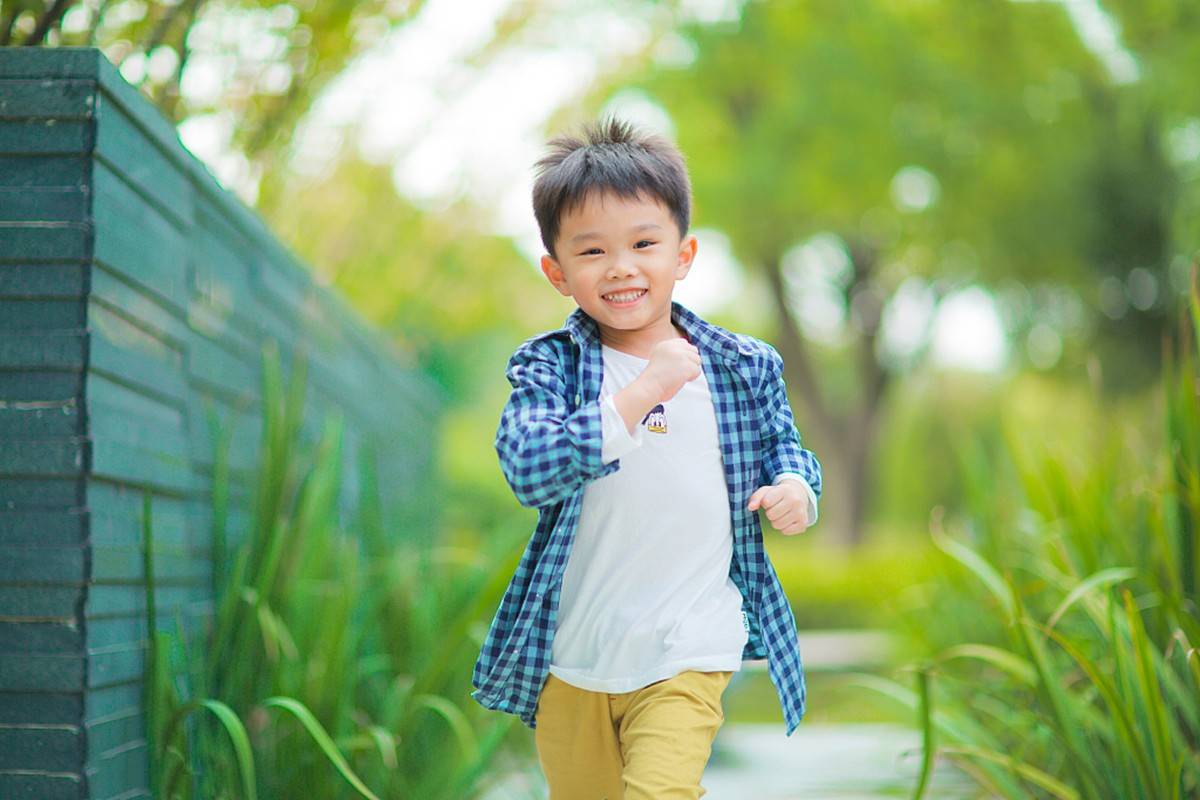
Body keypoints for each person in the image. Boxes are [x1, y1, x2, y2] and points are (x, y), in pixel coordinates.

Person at [470, 116, 823, 799]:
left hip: (690, 644)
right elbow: (529, 467)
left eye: (643, 243)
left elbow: (788, 449)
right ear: (558, 272)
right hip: (576, 656)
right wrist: (643, 392)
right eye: (593, 251)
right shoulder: (548, 366)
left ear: (682, 255)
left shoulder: (742, 366)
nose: (622, 266)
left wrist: (794, 489)